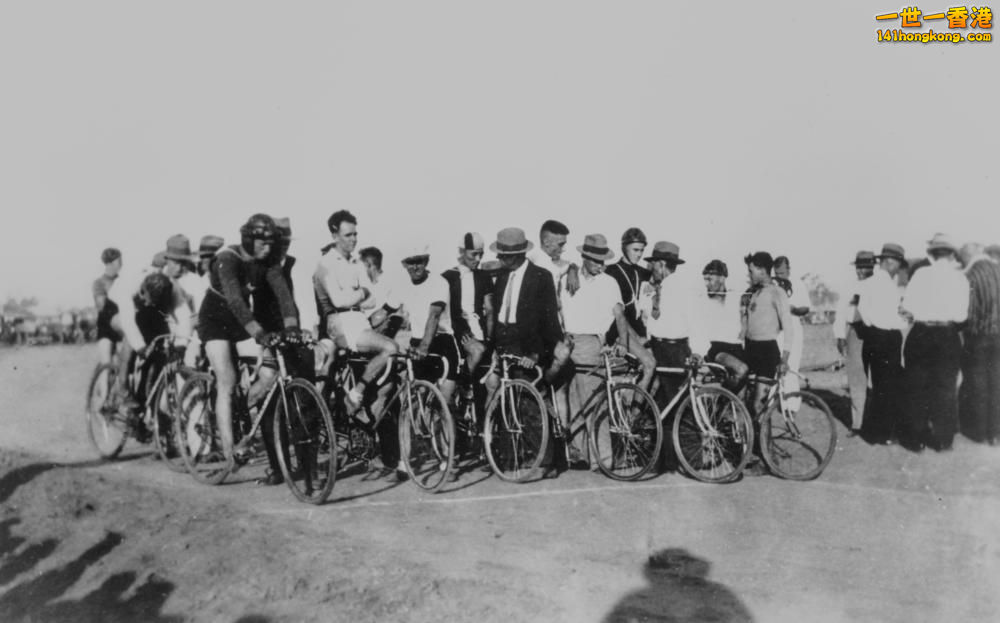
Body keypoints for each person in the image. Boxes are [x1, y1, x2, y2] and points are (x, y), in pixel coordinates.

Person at [198, 214, 300, 473]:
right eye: (263, 243)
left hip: (243, 321)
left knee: (270, 370)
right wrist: (258, 333)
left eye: (271, 243)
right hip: (216, 320)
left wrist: (291, 328)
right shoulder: (227, 258)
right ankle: (231, 452)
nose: (268, 248)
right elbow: (235, 300)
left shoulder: (268, 261)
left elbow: (284, 296)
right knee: (227, 380)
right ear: (249, 240)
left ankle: (245, 414)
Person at [486, 227, 564, 478]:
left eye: (506, 256)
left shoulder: (540, 277)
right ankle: (512, 458)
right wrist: (496, 349)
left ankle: (544, 462)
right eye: (501, 256)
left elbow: (550, 321)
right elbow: (499, 315)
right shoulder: (502, 277)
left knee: (531, 403)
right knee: (508, 404)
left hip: (528, 346)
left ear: (520, 254)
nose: (502, 260)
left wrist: (536, 354)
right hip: (505, 343)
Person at [556, 234, 635, 468]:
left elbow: (619, 314)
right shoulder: (566, 278)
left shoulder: (609, 282)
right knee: (573, 402)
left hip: (591, 343)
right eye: (595, 260)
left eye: (603, 260)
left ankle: (605, 459)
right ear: (584, 257)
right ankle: (582, 455)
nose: (600, 265)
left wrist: (622, 342)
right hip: (567, 342)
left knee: (595, 404)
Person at [313, 210, 399, 415]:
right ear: (334, 236)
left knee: (393, 367)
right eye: (348, 235)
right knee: (391, 348)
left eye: (355, 234)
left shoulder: (355, 263)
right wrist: (361, 292)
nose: (353, 239)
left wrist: (357, 296)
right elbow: (339, 301)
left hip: (359, 321)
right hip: (340, 324)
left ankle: (362, 414)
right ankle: (355, 394)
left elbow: (372, 301)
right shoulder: (326, 264)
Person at [899, 234, 969, 452]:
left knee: (917, 386)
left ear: (933, 253)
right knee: (945, 386)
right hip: (947, 334)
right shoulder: (961, 279)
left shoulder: (920, 274)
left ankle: (917, 439)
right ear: (951, 255)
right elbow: (960, 317)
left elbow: (908, 307)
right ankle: (943, 439)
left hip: (921, 333)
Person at [384, 245, 462, 407]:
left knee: (444, 405)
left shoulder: (439, 283)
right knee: (417, 401)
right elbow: (385, 312)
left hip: (442, 344)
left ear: (426, 262)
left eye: (418, 261)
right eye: (410, 262)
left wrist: (424, 347)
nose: (414, 266)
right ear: (404, 264)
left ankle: (446, 428)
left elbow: (434, 315)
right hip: (417, 342)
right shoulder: (401, 284)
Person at [638, 241, 703, 407]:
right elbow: (651, 318)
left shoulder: (681, 288)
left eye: (653, 264)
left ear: (661, 264)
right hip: (662, 349)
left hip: (673, 352)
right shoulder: (657, 288)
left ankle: (672, 432)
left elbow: (695, 320)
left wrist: (698, 350)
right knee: (665, 402)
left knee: (676, 402)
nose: (651, 268)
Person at [856, 243, 908, 445]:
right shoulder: (887, 286)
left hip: (872, 338)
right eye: (898, 264)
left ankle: (873, 432)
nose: (898, 268)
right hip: (887, 338)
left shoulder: (868, 283)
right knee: (889, 386)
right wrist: (905, 321)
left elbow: (863, 309)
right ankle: (883, 434)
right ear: (890, 262)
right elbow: (892, 317)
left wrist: (872, 323)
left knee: (878, 385)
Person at [958, 243, 1000, 445]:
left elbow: (969, 312)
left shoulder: (970, 275)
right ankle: (996, 432)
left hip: (979, 336)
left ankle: (981, 432)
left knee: (978, 384)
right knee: (997, 382)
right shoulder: (998, 269)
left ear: (967, 257)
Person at [741, 251, 794, 403]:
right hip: (750, 350)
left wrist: (784, 359)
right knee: (745, 402)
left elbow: (789, 328)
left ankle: (760, 426)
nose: (749, 275)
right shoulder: (754, 293)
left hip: (767, 352)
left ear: (762, 271)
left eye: (751, 271)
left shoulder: (777, 292)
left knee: (759, 405)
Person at [441, 233, 494, 379]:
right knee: (477, 351)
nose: (478, 259)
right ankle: (462, 384)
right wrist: (461, 329)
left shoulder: (484, 276)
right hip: (458, 331)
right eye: (474, 254)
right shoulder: (448, 276)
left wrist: (491, 338)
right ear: (461, 252)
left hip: (480, 329)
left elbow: (490, 310)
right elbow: (445, 311)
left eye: (481, 255)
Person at [833, 251, 875, 435]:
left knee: (877, 378)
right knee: (856, 378)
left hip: (876, 331)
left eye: (864, 267)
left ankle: (876, 421)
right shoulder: (850, 286)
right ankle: (858, 423)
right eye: (858, 267)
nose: (860, 271)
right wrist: (840, 335)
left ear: (872, 267)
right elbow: (841, 311)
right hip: (855, 331)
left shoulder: (878, 286)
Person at [698, 260, 749, 393]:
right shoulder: (702, 299)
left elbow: (745, 318)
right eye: (705, 279)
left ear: (722, 278)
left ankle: (723, 405)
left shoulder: (736, 297)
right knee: (741, 369)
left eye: (710, 279)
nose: (706, 284)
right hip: (716, 349)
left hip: (736, 348)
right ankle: (721, 403)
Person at [773, 256, 811, 410]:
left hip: (793, 328)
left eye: (782, 272)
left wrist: (793, 309)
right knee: (776, 366)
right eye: (776, 273)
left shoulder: (798, 285)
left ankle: (792, 406)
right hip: (777, 330)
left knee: (792, 367)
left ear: (789, 270)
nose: (779, 276)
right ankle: (776, 403)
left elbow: (806, 308)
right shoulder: (773, 284)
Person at [93, 247, 123, 365]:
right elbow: (101, 305)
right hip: (106, 327)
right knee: (106, 363)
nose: (121, 264)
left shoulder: (123, 281)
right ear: (109, 263)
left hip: (122, 326)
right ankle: (103, 382)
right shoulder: (99, 283)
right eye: (119, 261)